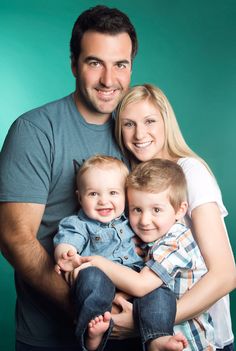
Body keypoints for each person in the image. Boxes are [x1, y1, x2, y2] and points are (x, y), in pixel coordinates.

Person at [0, 5, 149, 351]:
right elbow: (13, 237)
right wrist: (87, 310)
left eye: (121, 65)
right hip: (51, 338)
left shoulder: (135, 132)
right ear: (73, 64)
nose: (109, 80)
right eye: (95, 62)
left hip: (131, 330)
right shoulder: (36, 130)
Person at [113, 84, 236, 350]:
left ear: (166, 123)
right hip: (161, 336)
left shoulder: (190, 172)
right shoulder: (133, 182)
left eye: (149, 121)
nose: (139, 133)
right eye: (129, 124)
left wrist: (144, 323)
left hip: (203, 338)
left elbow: (225, 275)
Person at [76, 158, 215, 350]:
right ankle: (93, 340)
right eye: (137, 210)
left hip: (190, 343)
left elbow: (141, 286)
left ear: (180, 210)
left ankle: (157, 340)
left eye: (156, 210)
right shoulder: (148, 240)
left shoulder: (176, 241)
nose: (145, 220)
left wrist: (97, 262)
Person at [54, 155, 186, 351]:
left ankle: (157, 338)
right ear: (79, 197)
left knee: (161, 292)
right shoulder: (79, 223)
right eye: (93, 194)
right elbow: (68, 239)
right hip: (103, 282)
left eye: (113, 193)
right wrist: (67, 254)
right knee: (91, 278)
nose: (103, 201)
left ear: (126, 196)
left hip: (135, 282)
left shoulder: (134, 219)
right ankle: (92, 336)